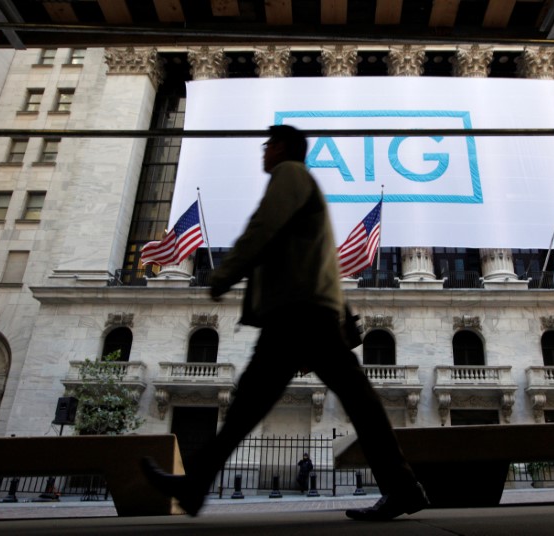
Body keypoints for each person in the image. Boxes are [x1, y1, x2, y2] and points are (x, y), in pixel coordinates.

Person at [141, 124, 428, 521]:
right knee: (344, 401)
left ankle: (195, 484)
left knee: (255, 402)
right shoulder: (303, 183)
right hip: (308, 311)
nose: (263, 152)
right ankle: (403, 488)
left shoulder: (289, 176)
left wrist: (224, 273)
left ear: (280, 147)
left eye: (267, 144)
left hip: (298, 312)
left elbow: (262, 229)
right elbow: (317, 255)